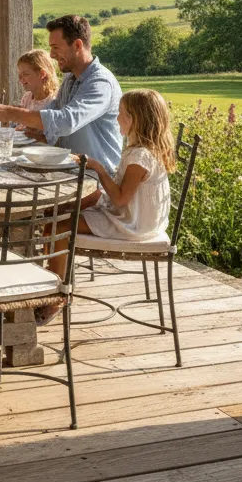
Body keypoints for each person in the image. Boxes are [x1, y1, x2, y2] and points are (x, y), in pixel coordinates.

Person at [38, 89, 176, 324]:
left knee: (55, 228)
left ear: (136, 119)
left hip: (131, 225)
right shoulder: (145, 151)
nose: (117, 118)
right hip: (137, 218)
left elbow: (121, 199)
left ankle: (56, 297)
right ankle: (56, 281)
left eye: (121, 114)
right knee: (57, 212)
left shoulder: (139, 158)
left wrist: (99, 169)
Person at [0, 15, 122, 165]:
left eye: (56, 48)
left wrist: (8, 113)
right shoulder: (70, 78)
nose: (52, 55)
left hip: (97, 178)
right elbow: (53, 113)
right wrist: (42, 135)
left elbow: (66, 121)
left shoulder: (100, 82)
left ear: (77, 46)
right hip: (71, 168)